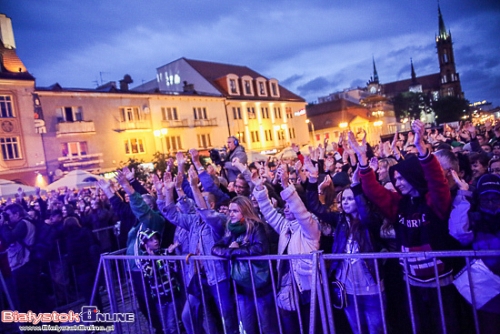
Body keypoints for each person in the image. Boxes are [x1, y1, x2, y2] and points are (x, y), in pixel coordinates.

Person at [350, 120, 462, 334]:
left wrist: (421, 149)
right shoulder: (398, 203)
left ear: (414, 177)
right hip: (412, 283)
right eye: (395, 179)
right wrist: (362, 161)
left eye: (402, 178)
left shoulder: (433, 202)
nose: (398, 182)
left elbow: (437, 182)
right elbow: (374, 191)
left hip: (440, 284)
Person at [156, 167, 238, 334]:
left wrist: (194, 187)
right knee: (188, 316)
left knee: (227, 316)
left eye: (203, 200)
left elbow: (207, 214)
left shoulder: (221, 220)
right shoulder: (193, 221)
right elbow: (172, 215)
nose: (199, 206)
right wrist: (172, 190)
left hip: (217, 275)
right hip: (196, 276)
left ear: (212, 204)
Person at [252, 165, 321, 334]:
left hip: (307, 290)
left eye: (290, 205)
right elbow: (268, 212)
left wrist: (286, 186)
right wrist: (260, 189)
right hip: (287, 289)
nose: (287, 209)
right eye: (286, 205)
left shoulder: (310, 226)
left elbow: (301, 213)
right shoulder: (285, 226)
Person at [212, 196, 278, 334]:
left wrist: (235, 251)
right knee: (246, 329)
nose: (231, 214)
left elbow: (260, 248)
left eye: (235, 211)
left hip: (260, 285)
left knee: (267, 327)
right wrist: (231, 251)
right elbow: (215, 248)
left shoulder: (256, 226)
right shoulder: (231, 229)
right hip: (241, 288)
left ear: (245, 210)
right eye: (230, 211)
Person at [139, 228, 182, 334]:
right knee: (165, 327)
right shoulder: (143, 259)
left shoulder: (164, 252)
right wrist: (152, 259)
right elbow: (150, 274)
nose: (155, 241)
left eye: (156, 238)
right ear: (145, 245)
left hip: (172, 294)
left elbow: (174, 268)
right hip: (159, 298)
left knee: (172, 326)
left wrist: (171, 253)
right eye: (151, 240)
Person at [0, 203, 37, 312]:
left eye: (8, 215)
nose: (8, 218)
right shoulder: (18, 225)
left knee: (28, 301)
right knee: (28, 301)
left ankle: (35, 327)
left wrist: (4, 224)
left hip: (25, 265)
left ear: (17, 214)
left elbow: (10, 238)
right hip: (21, 265)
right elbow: (6, 240)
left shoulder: (23, 224)